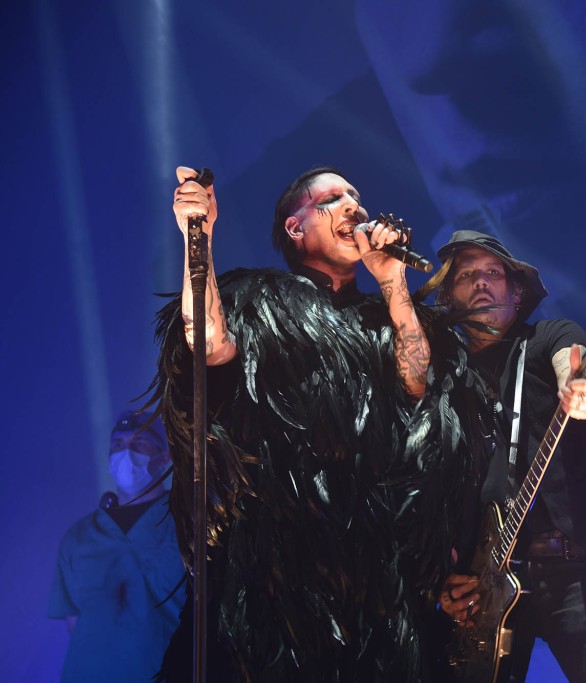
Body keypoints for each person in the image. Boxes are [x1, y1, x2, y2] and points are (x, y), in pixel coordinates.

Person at [150, 166, 490, 681]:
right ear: (295, 228)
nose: (354, 205)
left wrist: (393, 280)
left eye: (356, 195)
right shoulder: (262, 299)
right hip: (280, 570)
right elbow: (209, 343)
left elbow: (418, 387)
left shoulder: (385, 315)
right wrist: (199, 233)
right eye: (333, 199)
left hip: (376, 576)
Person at [420, 230, 586, 682]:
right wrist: (443, 577)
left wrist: (577, 387)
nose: (481, 282)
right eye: (466, 275)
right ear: (449, 295)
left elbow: (572, 361)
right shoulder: (445, 378)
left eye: (492, 273)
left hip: (575, 571)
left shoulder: (549, 336)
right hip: (486, 585)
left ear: (515, 291)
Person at [48, 410, 186, 683]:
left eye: (139, 443)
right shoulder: (80, 537)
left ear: (165, 456)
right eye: (119, 445)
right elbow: (74, 624)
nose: (126, 452)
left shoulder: (186, 525)